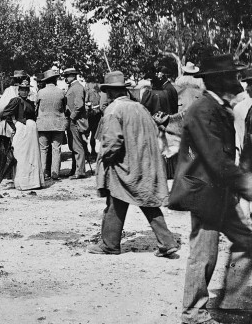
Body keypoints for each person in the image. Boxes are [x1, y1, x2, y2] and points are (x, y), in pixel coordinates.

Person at [171, 55, 252, 323]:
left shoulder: (217, 107)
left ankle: (234, 300)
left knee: (246, 241)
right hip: (205, 193)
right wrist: (246, 184)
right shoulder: (203, 110)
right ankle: (193, 312)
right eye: (232, 76)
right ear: (219, 81)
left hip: (220, 192)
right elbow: (216, 159)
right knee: (204, 253)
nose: (237, 82)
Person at [87, 71, 179, 256]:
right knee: (146, 202)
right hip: (144, 163)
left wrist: (104, 157)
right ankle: (166, 242)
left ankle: (110, 244)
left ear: (110, 92)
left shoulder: (113, 110)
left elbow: (113, 142)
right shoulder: (139, 107)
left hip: (124, 165)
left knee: (115, 200)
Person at [0, 78, 43, 190]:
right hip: (22, 129)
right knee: (21, 155)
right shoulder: (15, 100)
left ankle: (33, 182)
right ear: (18, 90)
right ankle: (22, 182)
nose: (24, 92)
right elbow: (5, 113)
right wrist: (13, 125)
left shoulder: (30, 102)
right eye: (22, 89)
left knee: (32, 155)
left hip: (32, 131)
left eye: (26, 90)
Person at [0, 71, 28, 188]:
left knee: (7, 150)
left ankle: (9, 175)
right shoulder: (22, 91)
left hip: (5, 124)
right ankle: (13, 175)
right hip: (14, 124)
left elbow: (0, 111)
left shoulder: (8, 91)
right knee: (15, 150)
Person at [35, 69, 68, 181]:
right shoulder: (61, 92)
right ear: (55, 80)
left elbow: (36, 108)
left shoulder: (40, 92)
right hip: (58, 124)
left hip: (43, 124)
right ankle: (55, 173)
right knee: (56, 149)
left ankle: (43, 173)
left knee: (43, 149)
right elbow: (64, 107)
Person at [63, 68, 88, 179]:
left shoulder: (77, 88)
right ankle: (75, 169)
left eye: (67, 76)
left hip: (76, 121)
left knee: (77, 146)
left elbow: (79, 105)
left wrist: (72, 117)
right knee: (73, 146)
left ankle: (80, 171)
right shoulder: (72, 87)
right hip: (72, 120)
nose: (65, 78)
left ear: (73, 76)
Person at [84, 75, 102, 161]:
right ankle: (90, 151)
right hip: (93, 114)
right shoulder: (96, 92)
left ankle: (91, 151)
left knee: (90, 134)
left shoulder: (91, 92)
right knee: (90, 134)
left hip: (93, 114)